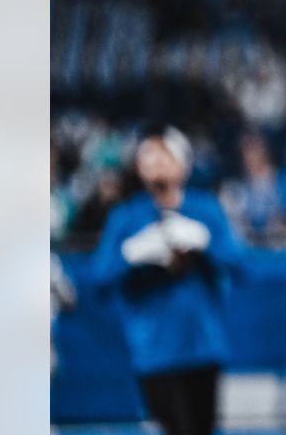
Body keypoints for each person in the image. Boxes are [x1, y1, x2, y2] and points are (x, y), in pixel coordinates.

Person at [89, 125, 244, 435]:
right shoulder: (127, 217)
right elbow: (99, 280)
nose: (156, 162)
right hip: (155, 351)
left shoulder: (205, 209)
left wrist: (205, 242)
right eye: (149, 155)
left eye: (165, 154)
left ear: (183, 163)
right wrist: (130, 255)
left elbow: (240, 264)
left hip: (202, 347)